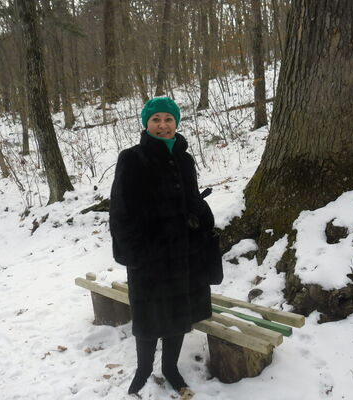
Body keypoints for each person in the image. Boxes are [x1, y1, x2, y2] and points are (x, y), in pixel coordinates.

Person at [109, 97, 215, 395]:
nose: (163, 125)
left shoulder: (185, 159)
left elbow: (192, 199)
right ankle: (143, 369)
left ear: (176, 123)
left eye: (168, 119)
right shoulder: (132, 158)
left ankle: (170, 367)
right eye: (156, 119)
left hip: (183, 254)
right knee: (148, 318)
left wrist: (201, 220)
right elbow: (120, 210)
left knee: (179, 315)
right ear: (146, 124)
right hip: (149, 257)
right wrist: (133, 253)